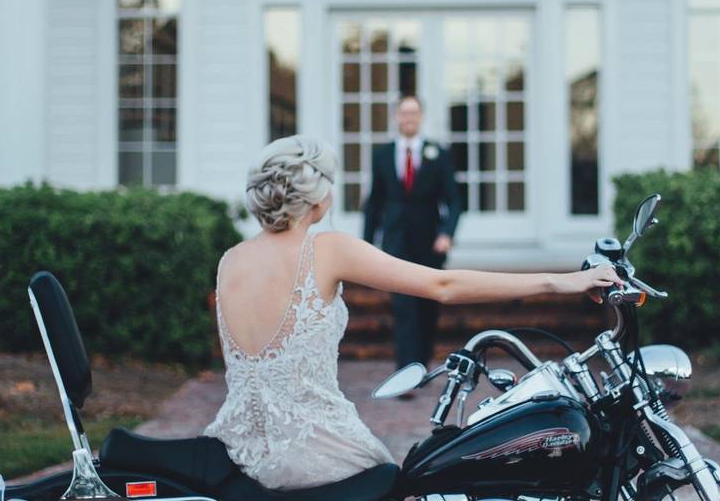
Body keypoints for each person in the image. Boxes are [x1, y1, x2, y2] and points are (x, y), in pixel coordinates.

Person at [203, 135, 622, 490]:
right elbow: (443, 285)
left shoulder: (231, 260)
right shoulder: (326, 249)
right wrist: (560, 281)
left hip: (238, 447)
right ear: (317, 197)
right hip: (318, 452)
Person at [362, 95, 461, 368]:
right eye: (404, 113)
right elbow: (375, 203)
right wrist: (367, 244)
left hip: (430, 241)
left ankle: (422, 360)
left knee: (428, 305)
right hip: (396, 240)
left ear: (421, 117)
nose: (408, 118)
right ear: (396, 117)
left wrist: (447, 234)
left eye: (413, 113)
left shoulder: (438, 153)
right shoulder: (383, 154)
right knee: (403, 305)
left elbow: (454, 201)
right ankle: (407, 368)